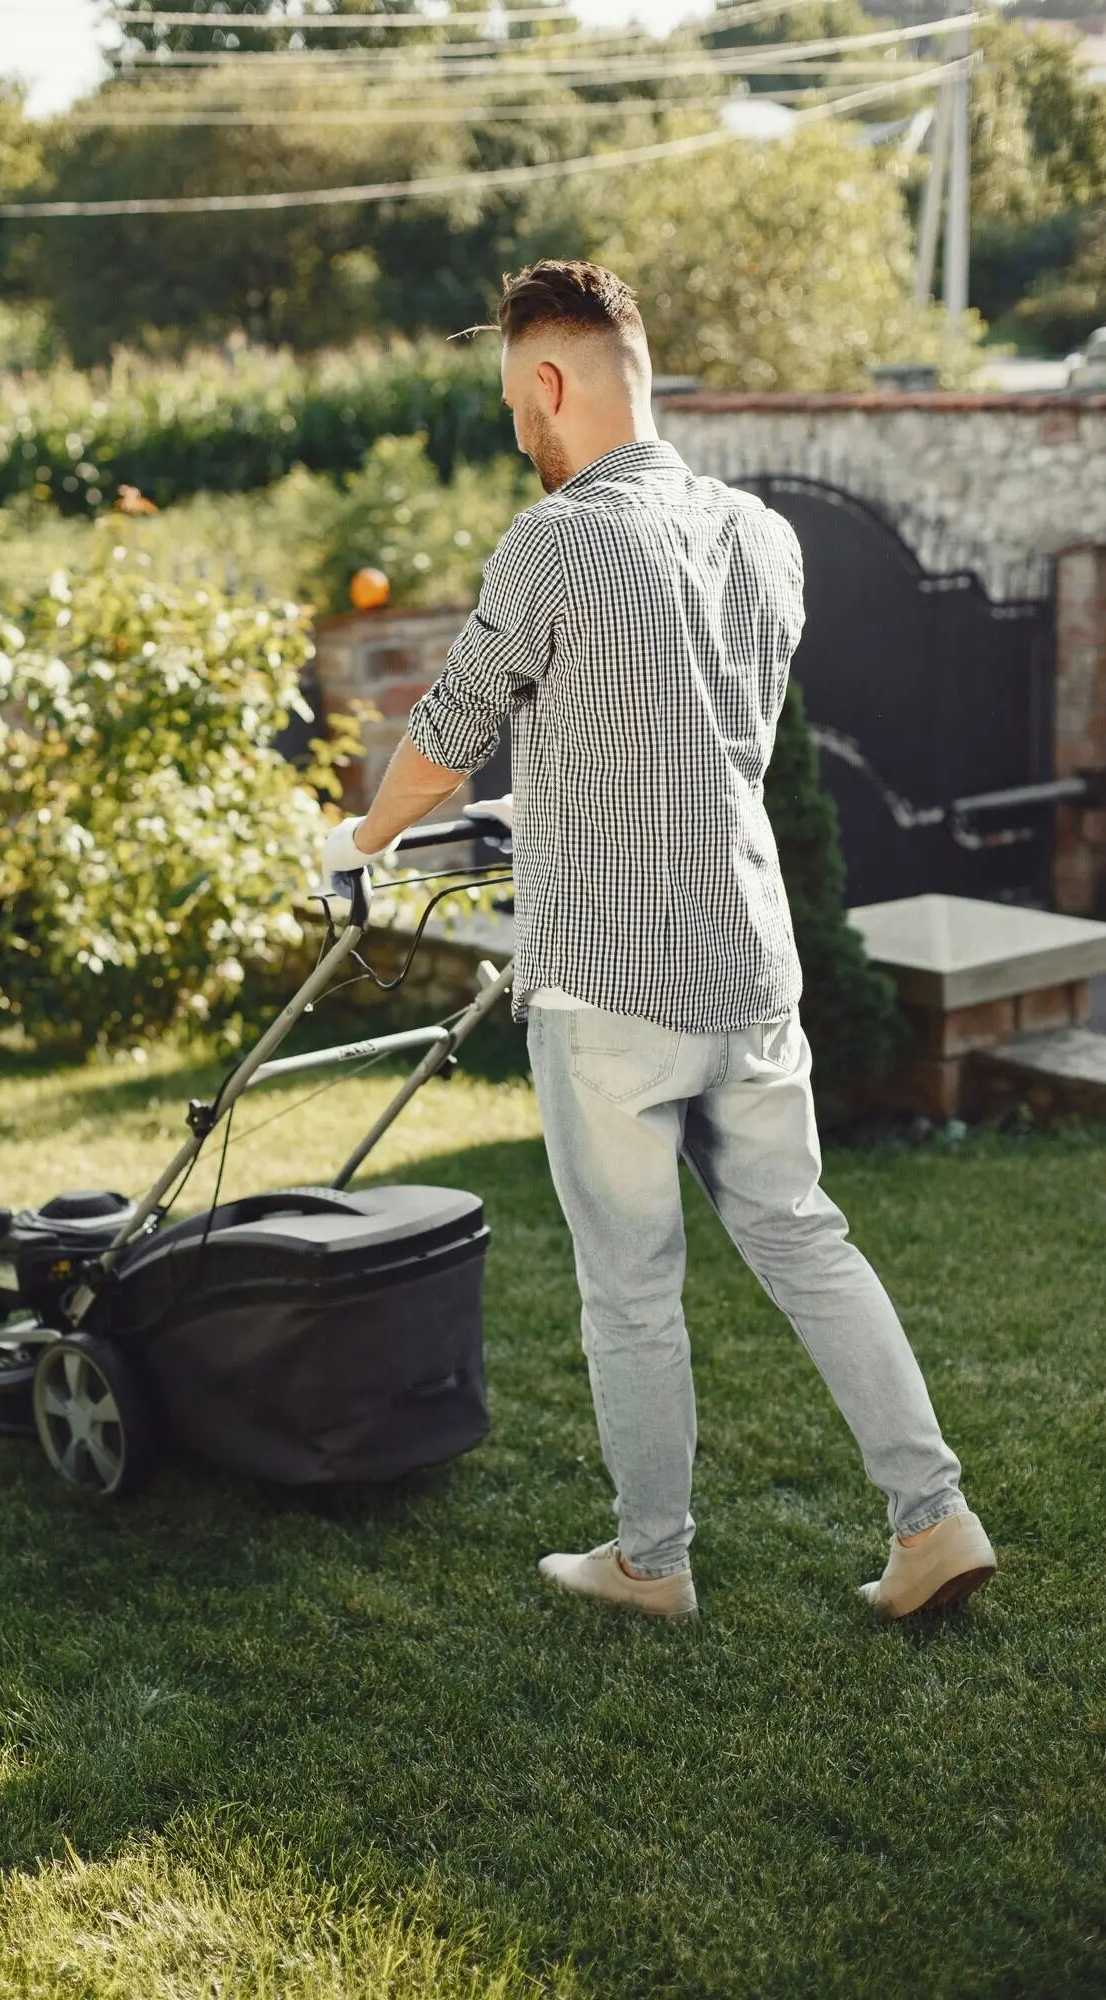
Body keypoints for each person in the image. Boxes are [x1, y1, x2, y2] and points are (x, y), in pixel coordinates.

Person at [319, 258, 997, 1624]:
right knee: (807, 1236)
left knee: (630, 1286)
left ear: (552, 382)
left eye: (517, 399)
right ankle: (935, 1519)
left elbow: (445, 735)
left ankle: (652, 1558)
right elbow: (681, 733)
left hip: (609, 992)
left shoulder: (555, 536)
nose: (520, 427)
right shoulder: (761, 535)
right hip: (747, 962)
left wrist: (358, 843)